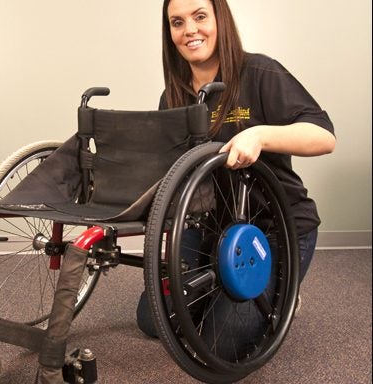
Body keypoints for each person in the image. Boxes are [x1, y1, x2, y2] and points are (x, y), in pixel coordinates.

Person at [136, 0, 336, 340]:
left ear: (220, 20)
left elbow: (324, 137)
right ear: (169, 33)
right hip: (212, 230)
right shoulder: (172, 98)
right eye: (177, 22)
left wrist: (260, 134)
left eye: (200, 17)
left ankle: (280, 293)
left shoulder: (259, 72)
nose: (190, 30)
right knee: (153, 320)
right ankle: (222, 286)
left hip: (275, 232)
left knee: (222, 340)